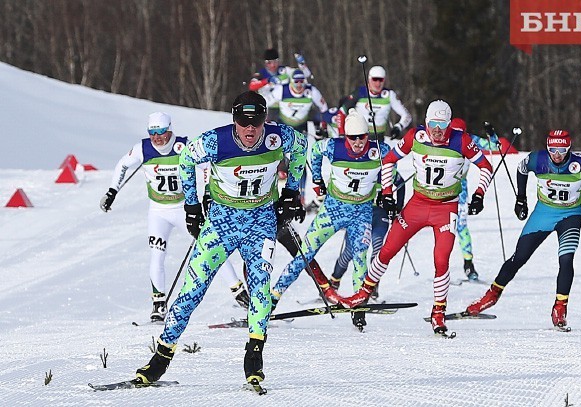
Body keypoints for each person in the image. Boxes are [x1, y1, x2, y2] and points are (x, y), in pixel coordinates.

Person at [133, 91, 307, 389]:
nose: (250, 129)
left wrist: (292, 191)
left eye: (256, 122)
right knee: (192, 290)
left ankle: (254, 357)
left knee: (260, 289)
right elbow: (186, 160)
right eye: (242, 122)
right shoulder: (216, 140)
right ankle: (161, 357)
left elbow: (304, 147)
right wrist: (191, 205)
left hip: (261, 220)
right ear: (234, 120)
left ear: (266, 119)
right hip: (221, 222)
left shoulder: (279, 137)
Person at [338, 100, 493, 335]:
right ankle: (363, 294)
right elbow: (389, 161)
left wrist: (479, 194)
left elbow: (486, 166)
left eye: (442, 125)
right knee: (388, 250)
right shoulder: (416, 136)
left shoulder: (461, 140)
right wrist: (388, 193)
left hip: (446, 208)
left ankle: (438, 313)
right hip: (417, 205)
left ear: (450, 124)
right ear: (426, 122)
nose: (437, 130)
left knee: (441, 259)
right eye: (433, 124)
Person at [99, 112, 249, 322]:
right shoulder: (143, 148)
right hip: (158, 211)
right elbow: (122, 165)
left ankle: (239, 293)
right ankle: (158, 304)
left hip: (182, 209)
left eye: (161, 132)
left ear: (170, 130)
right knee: (157, 255)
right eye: (153, 133)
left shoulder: (183, 146)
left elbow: (207, 165)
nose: (157, 137)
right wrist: (112, 191)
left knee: (210, 247)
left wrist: (207, 194)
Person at [465, 130, 581, 329]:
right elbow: (521, 169)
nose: (557, 155)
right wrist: (521, 198)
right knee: (519, 257)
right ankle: (491, 296)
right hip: (543, 214)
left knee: (566, 259)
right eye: (552, 150)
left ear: (569, 148)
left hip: (570, 216)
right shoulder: (538, 159)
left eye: (562, 150)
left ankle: (559, 308)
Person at [271, 108, 391, 330]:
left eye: (362, 137)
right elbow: (314, 151)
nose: (357, 143)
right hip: (333, 210)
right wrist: (317, 180)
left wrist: (387, 190)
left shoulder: (379, 150)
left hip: (361, 212)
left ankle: (359, 307)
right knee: (304, 254)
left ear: (368, 135)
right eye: (352, 138)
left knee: (360, 260)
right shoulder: (333, 146)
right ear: (345, 136)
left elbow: (392, 161)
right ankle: (272, 300)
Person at [329, 172, 406, 299]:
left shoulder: (388, 169)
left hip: (380, 215)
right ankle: (333, 283)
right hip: (360, 214)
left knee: (378, 248)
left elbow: (401, 183)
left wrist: (397, 207)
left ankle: (372, 286)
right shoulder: (364, 166)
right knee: (349, 252)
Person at [451, 119, 502, 281]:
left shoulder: (470, 140)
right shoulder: (444, 140)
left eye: (461, 134)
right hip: (440, 189)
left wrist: (492, 134)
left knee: (461, 226)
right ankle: (441, 266)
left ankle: (468, 263)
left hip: (460, 189)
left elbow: (495, 147)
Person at [337, 65, 412, 140]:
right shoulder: (359, 92)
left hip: (379, 140)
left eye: (381, 80)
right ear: (369, 79)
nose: (378, 83)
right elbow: (341, 112)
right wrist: (341, 134)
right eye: (375, 79)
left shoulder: (389, 95)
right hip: (359, 139)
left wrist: (399, 127)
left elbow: (407, 116)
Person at [249, 48, 312, 122]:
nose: (273, 65)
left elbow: (304, 75)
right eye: (269, 63)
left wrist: (302, 65)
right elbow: (252, 86)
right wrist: (267, 81)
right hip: (269, 107)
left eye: (275, 62)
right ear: (265, 63)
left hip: (285, 106)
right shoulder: (261, 74)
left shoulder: (284, 70)